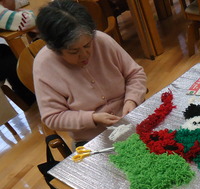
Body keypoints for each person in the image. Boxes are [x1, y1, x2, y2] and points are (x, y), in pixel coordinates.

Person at [33, 0, 147, 146]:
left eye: (87, 45)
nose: (85, 55)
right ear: (55, 49)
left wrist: (132, 100)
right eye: (74, 51)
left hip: (133, 119)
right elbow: (53, 117)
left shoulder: (102, 41)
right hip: (93, 139)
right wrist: (93, 118)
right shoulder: (44, 66)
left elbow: (135, 74)